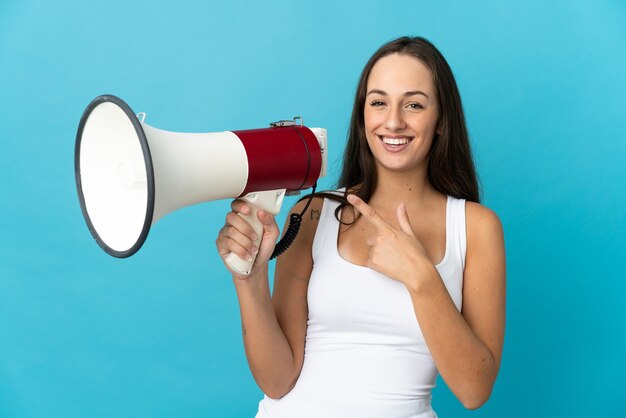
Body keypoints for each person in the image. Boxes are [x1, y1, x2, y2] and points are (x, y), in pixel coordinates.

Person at [215, 36, 506, 418]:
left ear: (441, 122)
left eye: (414, 104)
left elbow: (474, 390)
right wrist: (249, 279)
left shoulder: (475, 227)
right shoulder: (313, 214)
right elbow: (277, 381)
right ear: (362, 115)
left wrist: (421, 278)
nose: (393, 121)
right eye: (379, 102)